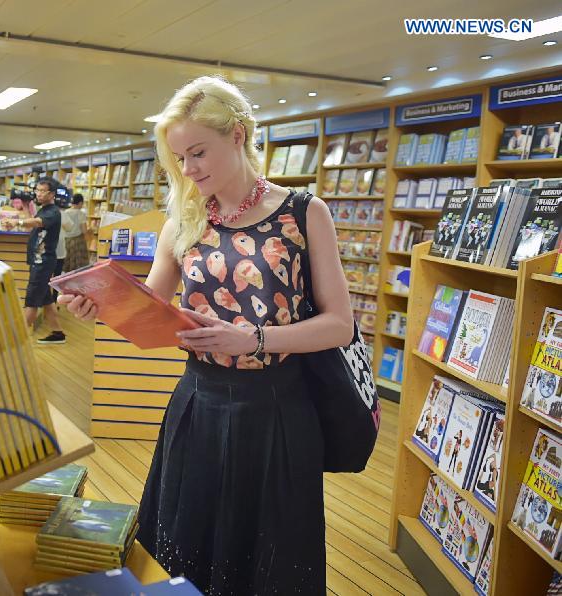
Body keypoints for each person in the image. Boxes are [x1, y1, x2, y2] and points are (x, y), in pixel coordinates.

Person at [60, 76, 354, 594]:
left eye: (197, 153)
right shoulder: (182, 221)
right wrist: (99, 306)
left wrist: (253, 340)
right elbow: (148, 309)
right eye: (179, 159)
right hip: (198, 404)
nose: (189, 170)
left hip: (278, 411)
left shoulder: (305, 213)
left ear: (238, 134)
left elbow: (339, 325)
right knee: (188, 542)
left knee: (269, 551)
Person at [21, 177, 65, 344]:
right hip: (39, 261)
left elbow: (37, 222)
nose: (38, 194)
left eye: (42, 191)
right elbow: (33, 224)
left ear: (51, 194)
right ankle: (58, 332)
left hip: (43, 263)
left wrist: (17, 221)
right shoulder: (44, 209)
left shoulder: (53, 211)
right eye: (37, 190)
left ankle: (17, 338)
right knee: (46, 300)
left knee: (31, 301)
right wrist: (25, 207)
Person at [64, 193, 89, 270]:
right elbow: (84, 230)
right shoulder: (80, 213)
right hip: (78, 242)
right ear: (80, 203)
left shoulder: (65, 212)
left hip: (66, 241)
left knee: (67, 264)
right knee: (78, 265)